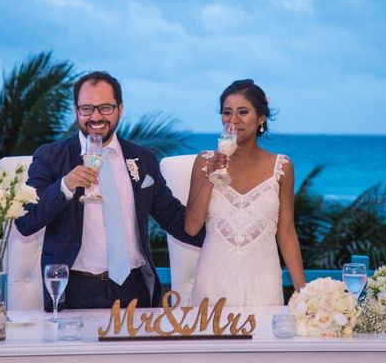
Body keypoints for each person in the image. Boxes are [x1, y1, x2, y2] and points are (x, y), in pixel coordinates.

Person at [16, 71, 204, 310]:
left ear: (120, 109)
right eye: (87, 108)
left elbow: (175, 219)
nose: (95, 116)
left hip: (134, 289)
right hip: (75, 291)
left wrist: (225, 238)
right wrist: (65, 186)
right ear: (76, 111)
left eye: (105, 108)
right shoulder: (51, 157)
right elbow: (26, 222)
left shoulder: (143, 158)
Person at [184, 79, 305, 305]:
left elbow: (287, 233)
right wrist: (211, 177)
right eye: (227, 112)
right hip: (212, 286)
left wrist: (304, 293)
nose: (234, 120)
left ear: (260, 118)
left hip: (264, 285)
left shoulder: (282, 167)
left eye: (243, 112)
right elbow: (191, 228)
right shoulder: (204, 161)